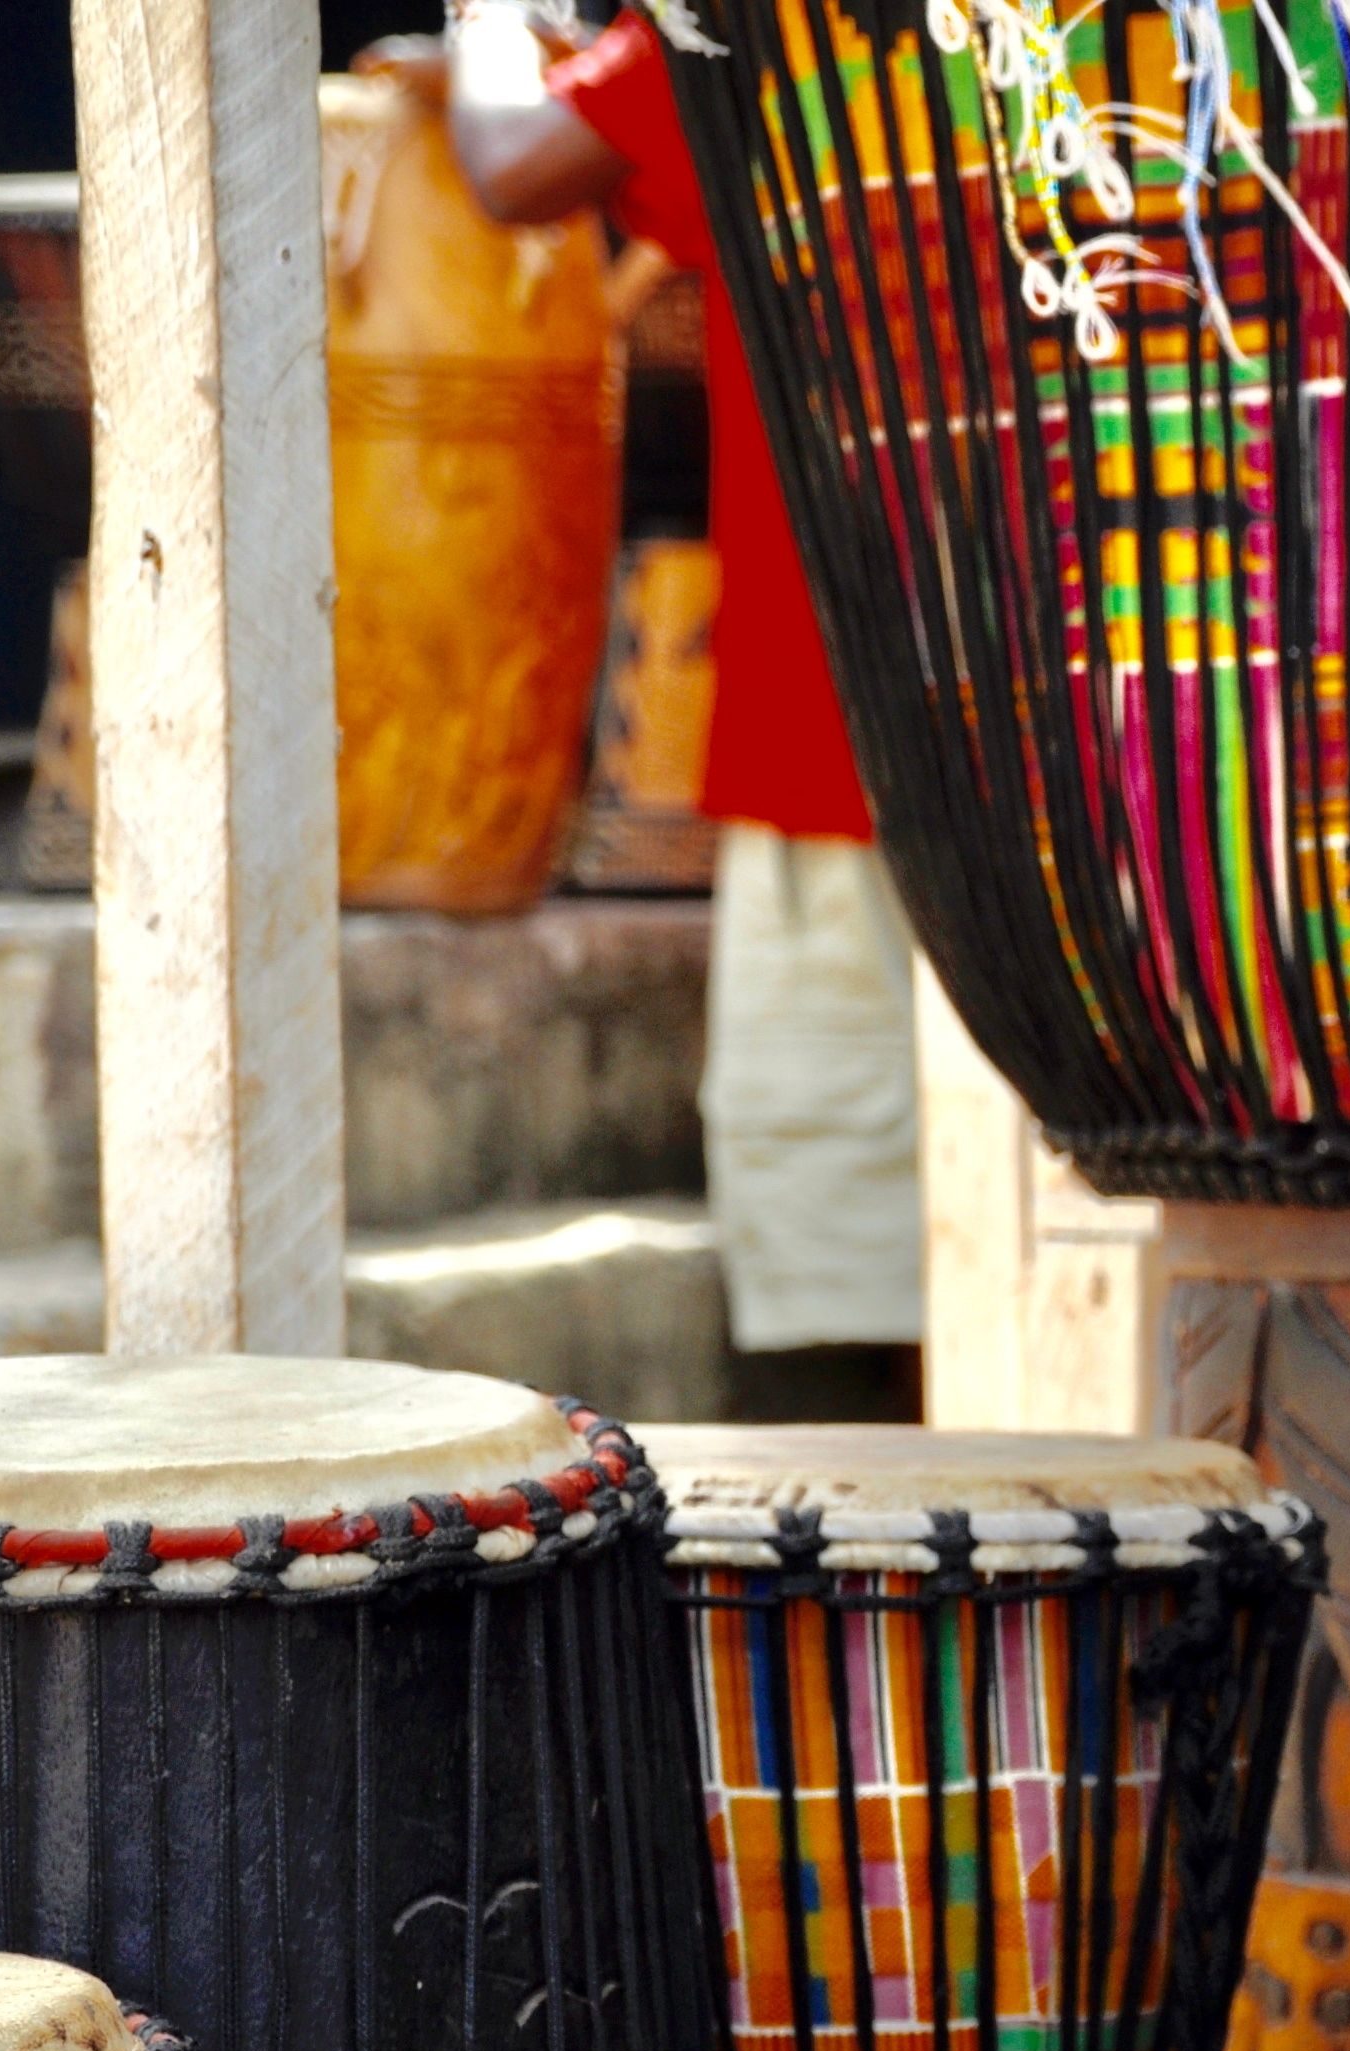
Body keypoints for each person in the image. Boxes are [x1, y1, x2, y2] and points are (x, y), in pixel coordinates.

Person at [412, 3, 928, 1406]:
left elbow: (516, 155)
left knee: (858, 1277)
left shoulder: (767, 22)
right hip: (1120, 758)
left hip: (850, 739)